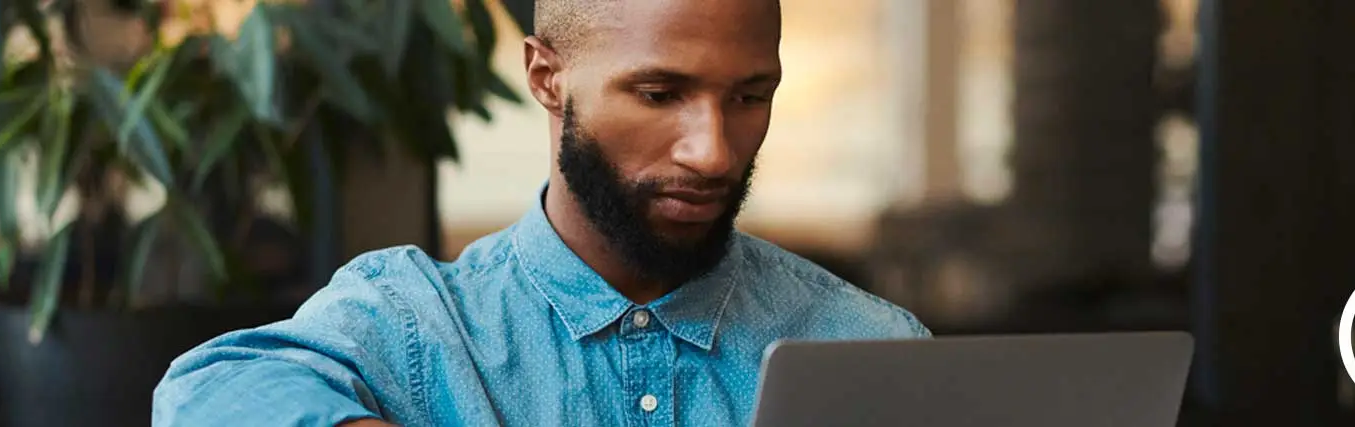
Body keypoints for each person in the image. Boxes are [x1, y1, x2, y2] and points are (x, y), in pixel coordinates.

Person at [151, 0, 928, 425]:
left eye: (751, 96)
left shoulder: (874, 347)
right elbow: (204, 391)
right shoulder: (416, 320)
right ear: (546, 76)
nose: (714, 152)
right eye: (660, 94)